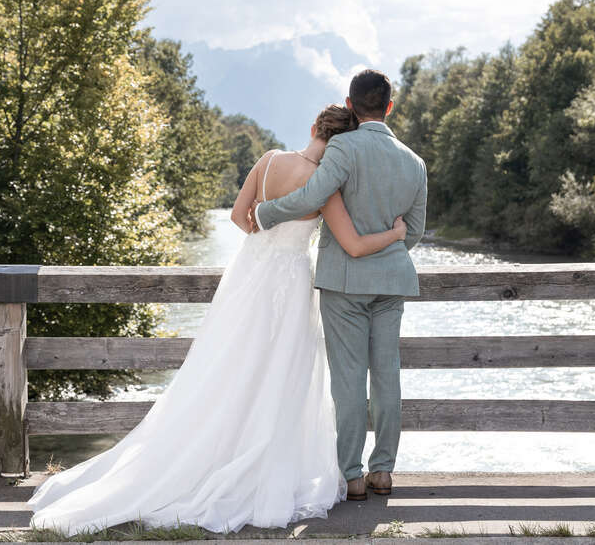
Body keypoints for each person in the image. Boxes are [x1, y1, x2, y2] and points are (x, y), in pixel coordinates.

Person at [26, 103, 407, 535]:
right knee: (281, 375)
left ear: (314, 127)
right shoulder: (325, 185)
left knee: (228, 367)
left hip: (251, 274)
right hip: (292, 280)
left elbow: (237, 217)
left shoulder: (268, 161)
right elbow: (353, 244)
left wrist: (268, 245)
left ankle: (207, 454)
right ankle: (265, 465)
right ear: (342, 143)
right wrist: (395, 234)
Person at [251, 69, 427, 502]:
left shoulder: (344, 147)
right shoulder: (414, 161)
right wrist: (388, 242)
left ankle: (351, 476)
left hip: (344, 283)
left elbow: (312, 197)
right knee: (386, 375)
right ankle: (382, 470)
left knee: (349, 379)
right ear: (389, 106)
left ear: (350, 106)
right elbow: (415, 231)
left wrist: (266, 213)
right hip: (391, 283)